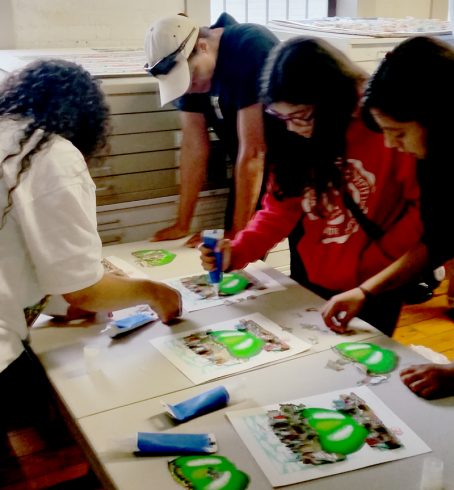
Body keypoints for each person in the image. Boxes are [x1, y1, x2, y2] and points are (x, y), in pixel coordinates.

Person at [0, 59, 182, 440]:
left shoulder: (10, 138)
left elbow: (22, 254)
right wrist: (153, 290)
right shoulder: (50, 153)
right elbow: (84, 289)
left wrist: (63, 301)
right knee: (55, 402)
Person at [200, 36, 422, 336]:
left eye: (300, 116)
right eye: (280, 117)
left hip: (374, 285)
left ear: (333, 101)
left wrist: (375, 259)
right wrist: (236, 252)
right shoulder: (295, 135)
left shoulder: (388, 132)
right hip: (311, 277)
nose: (291, 127)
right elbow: (279, 209)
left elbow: (420, 214)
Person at [321, 35, 454, 399]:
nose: (390, 145)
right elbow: (437, 241)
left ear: (439, 119)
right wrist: (365, 291)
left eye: (398, 132)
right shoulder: (432, 160)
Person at [144, 12, 279, 247]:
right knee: (229, 258)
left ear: (203, 46)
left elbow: (255, 151)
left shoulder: (250, 46)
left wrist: (237, 234)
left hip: (292, 162)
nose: (191, 89)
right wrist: (182, 224)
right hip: (248, 165)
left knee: (257, 253)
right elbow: (193, 146)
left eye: (192, 77)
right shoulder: (192, 77)